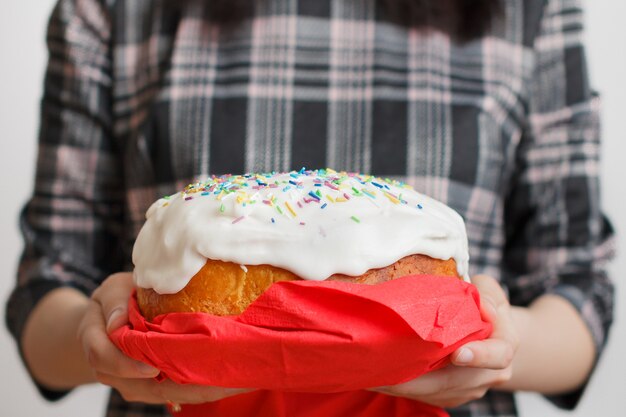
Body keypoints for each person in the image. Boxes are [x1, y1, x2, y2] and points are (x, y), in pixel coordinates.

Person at [5, 0, 615, 416]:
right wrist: (106, 338)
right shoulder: (115, 9)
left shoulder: (531, 11)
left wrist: (497, 348)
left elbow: (578, 292)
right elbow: (46, 290)